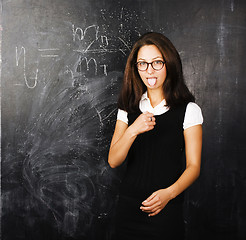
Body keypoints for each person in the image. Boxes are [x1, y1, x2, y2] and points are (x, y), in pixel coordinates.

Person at [108, 32, 203, 240]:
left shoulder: (189, 110)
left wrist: (168, 194)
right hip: (128, 210)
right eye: (142, 63)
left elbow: (194, 167)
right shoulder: (128, 107)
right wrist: (133, 129)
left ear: (169, 64)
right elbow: (114, 160)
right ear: (136, 68)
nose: (149, 70)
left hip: (166, 210)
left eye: (156, 62)